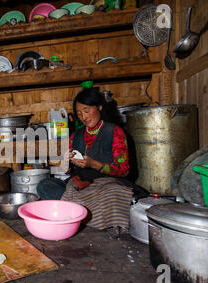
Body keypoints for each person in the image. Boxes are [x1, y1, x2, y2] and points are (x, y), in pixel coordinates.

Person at [37, 88, 139, 236]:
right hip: (81, 187)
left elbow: (124, 170)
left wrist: (94, 164)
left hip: (106, 185)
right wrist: (66, 164)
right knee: (45, 186)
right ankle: (88, 214)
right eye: (79, 113)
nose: (83, 117)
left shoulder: (114, 132)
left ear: (99, 107)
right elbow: (68, 171)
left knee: (113, 193)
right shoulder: (76, 135)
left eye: (86, 110)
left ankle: (76, 214)